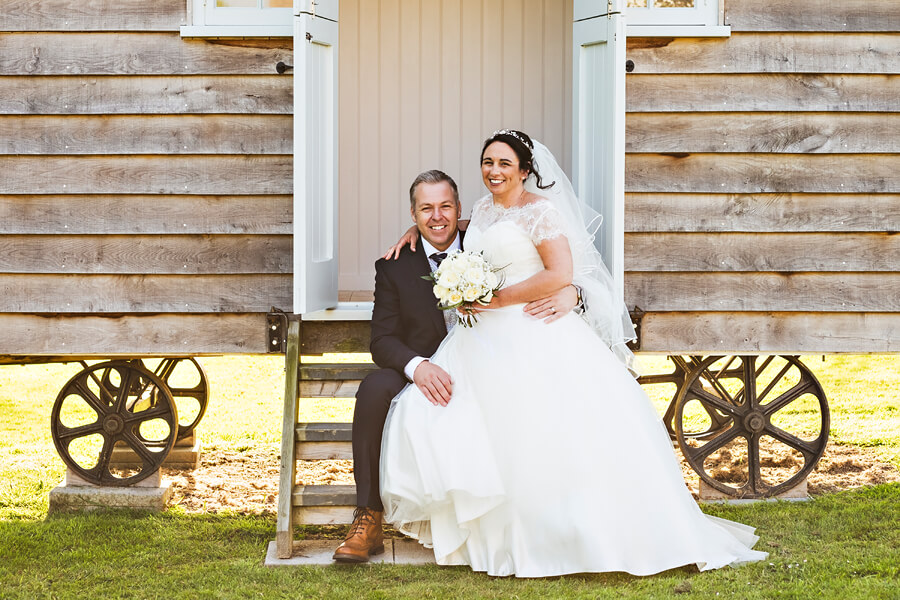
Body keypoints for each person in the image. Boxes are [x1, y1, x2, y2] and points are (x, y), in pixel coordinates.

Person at [378, 131, 768, 577]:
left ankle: (568, 538)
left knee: (544, 435)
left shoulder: (540, 212)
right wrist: (416, 228)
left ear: (525, 170)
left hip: (532, 330)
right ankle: (496, 537)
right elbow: (451, 228)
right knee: (470, 427)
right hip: (481, 340)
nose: (494, 171)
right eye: (488, 162)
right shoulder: (482, 211)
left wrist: (505, 299)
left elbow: (561, 272)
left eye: (505, 163)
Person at [332, 169, 580, 563]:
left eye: (446, 206)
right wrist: (419, 367)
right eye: (426, 208)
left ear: (460, 209)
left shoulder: (486, 243)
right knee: (374, 388)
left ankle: (529, 514)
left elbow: (540, 268)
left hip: (488, 359)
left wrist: (573, 291)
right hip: (428, 364)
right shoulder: (394, 266)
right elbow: (381, 341)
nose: (437, 217)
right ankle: (368, 518)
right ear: (412, 215)